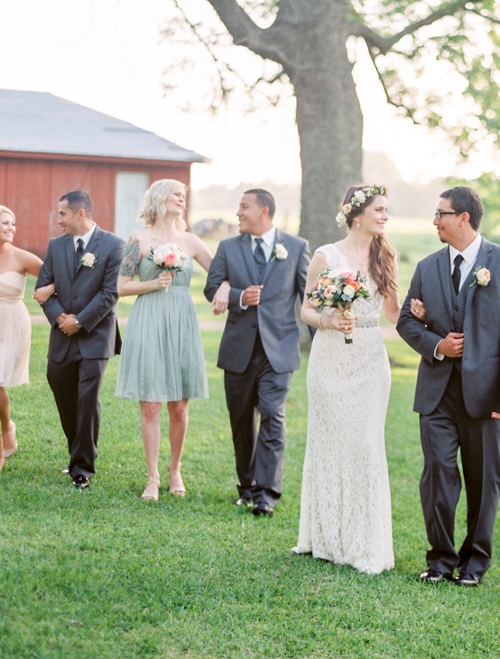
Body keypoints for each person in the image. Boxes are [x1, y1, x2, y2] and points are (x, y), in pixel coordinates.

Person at [397, 186, 500, 586]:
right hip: (436, 392)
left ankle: (474, 564)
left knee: (485, 480)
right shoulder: (427, 266)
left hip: (487, 394)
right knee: (436, 472)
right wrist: (437, 344)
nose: (435, 220)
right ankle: (439, 560)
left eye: (442, 213)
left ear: (464, 218)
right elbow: (406, 321)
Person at [294, 184, 403, 574]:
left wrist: (425, 315)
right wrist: (329, 320)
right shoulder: (326, 256)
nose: (385, 216)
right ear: (355, 214)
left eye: (387, 210)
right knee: (330, 443)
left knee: (365, 443)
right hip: (330, 358)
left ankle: (365, 543)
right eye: (379, 209)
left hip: (371, 360)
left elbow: (393, 312)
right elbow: (307, 308)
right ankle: (326, 538)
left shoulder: (386, 255)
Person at [204, 188, 310, 516]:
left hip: (279, 349)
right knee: (241, 421)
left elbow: (309, 297)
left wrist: (324, 340)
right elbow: (212, 287)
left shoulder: (296, 247)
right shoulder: (227, 248)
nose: (238, 213)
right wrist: (238, 296)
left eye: (243, 207)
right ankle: (247, 486)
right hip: (238, 349)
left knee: (273, 416)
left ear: (264, 211)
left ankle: (267, 494)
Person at [115, 180, 212, 500]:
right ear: (159, 198)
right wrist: (153, 284)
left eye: (184, 195)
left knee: (179, 406)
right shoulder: (137, 239)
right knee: (151, 405)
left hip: (182, 321)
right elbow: (122, 286)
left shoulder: (192, 241)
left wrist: (227, 289)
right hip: (148, 318)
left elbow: (221, 275)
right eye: (176, 193)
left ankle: (175, 469)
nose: (182, 198)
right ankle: (153, 475)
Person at [35, 190, 124, 489]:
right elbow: (42, 287)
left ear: (80, 214)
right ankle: (76, 453)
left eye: (62, 214)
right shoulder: (56, 246)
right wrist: (61, 317)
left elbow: (110, 293)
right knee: (61, 388)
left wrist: (81, 321)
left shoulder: (113, 245)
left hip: (96, 335)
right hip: (61, 333)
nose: (58, 220)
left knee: (87, 398)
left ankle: (82, 467)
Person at [0, 206, 47, 470]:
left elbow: (55, 279)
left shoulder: (23, 257)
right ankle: (7, 427)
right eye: (5, 223)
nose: (11, 228)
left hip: (12, 324)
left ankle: (5, 433)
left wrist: (48, 288)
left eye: (13, 223)